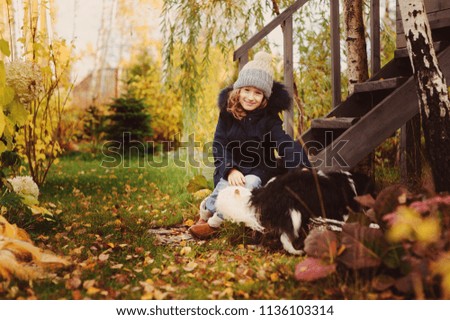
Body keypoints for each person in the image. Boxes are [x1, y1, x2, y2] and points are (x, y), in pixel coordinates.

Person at [189, 51, 311, 239]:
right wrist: (230, 169)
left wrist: (301, 165)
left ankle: (215, 223)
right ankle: (206, 211)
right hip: (232, 165)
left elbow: (284, 142)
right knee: (224, 186)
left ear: (265, 97)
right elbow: (219, 144)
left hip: (259, 168)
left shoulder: (269, 119)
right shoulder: (227, 114)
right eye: (247, 90)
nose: (250, 97)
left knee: (249, 184)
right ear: (238, 90)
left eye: (258, 93)